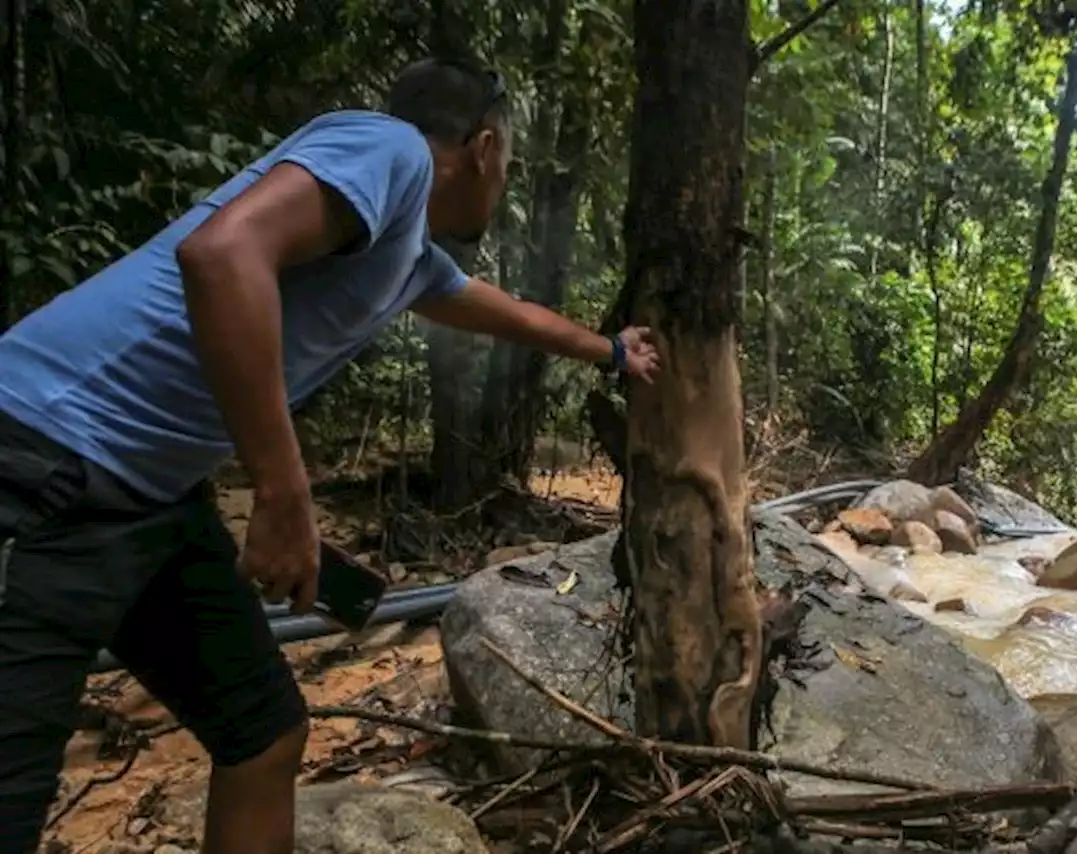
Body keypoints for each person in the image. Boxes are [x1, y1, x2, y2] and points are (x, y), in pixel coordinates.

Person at [0, 56, 659, 854]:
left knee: (263, 733)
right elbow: (222, 253)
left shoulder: (409, 254)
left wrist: (612, 355)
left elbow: (507, 312)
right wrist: (284, 496)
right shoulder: (393, 152)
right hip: (38, 458)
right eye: (510, 165)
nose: (505, 183)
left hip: (146, 496)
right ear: (484, 147)